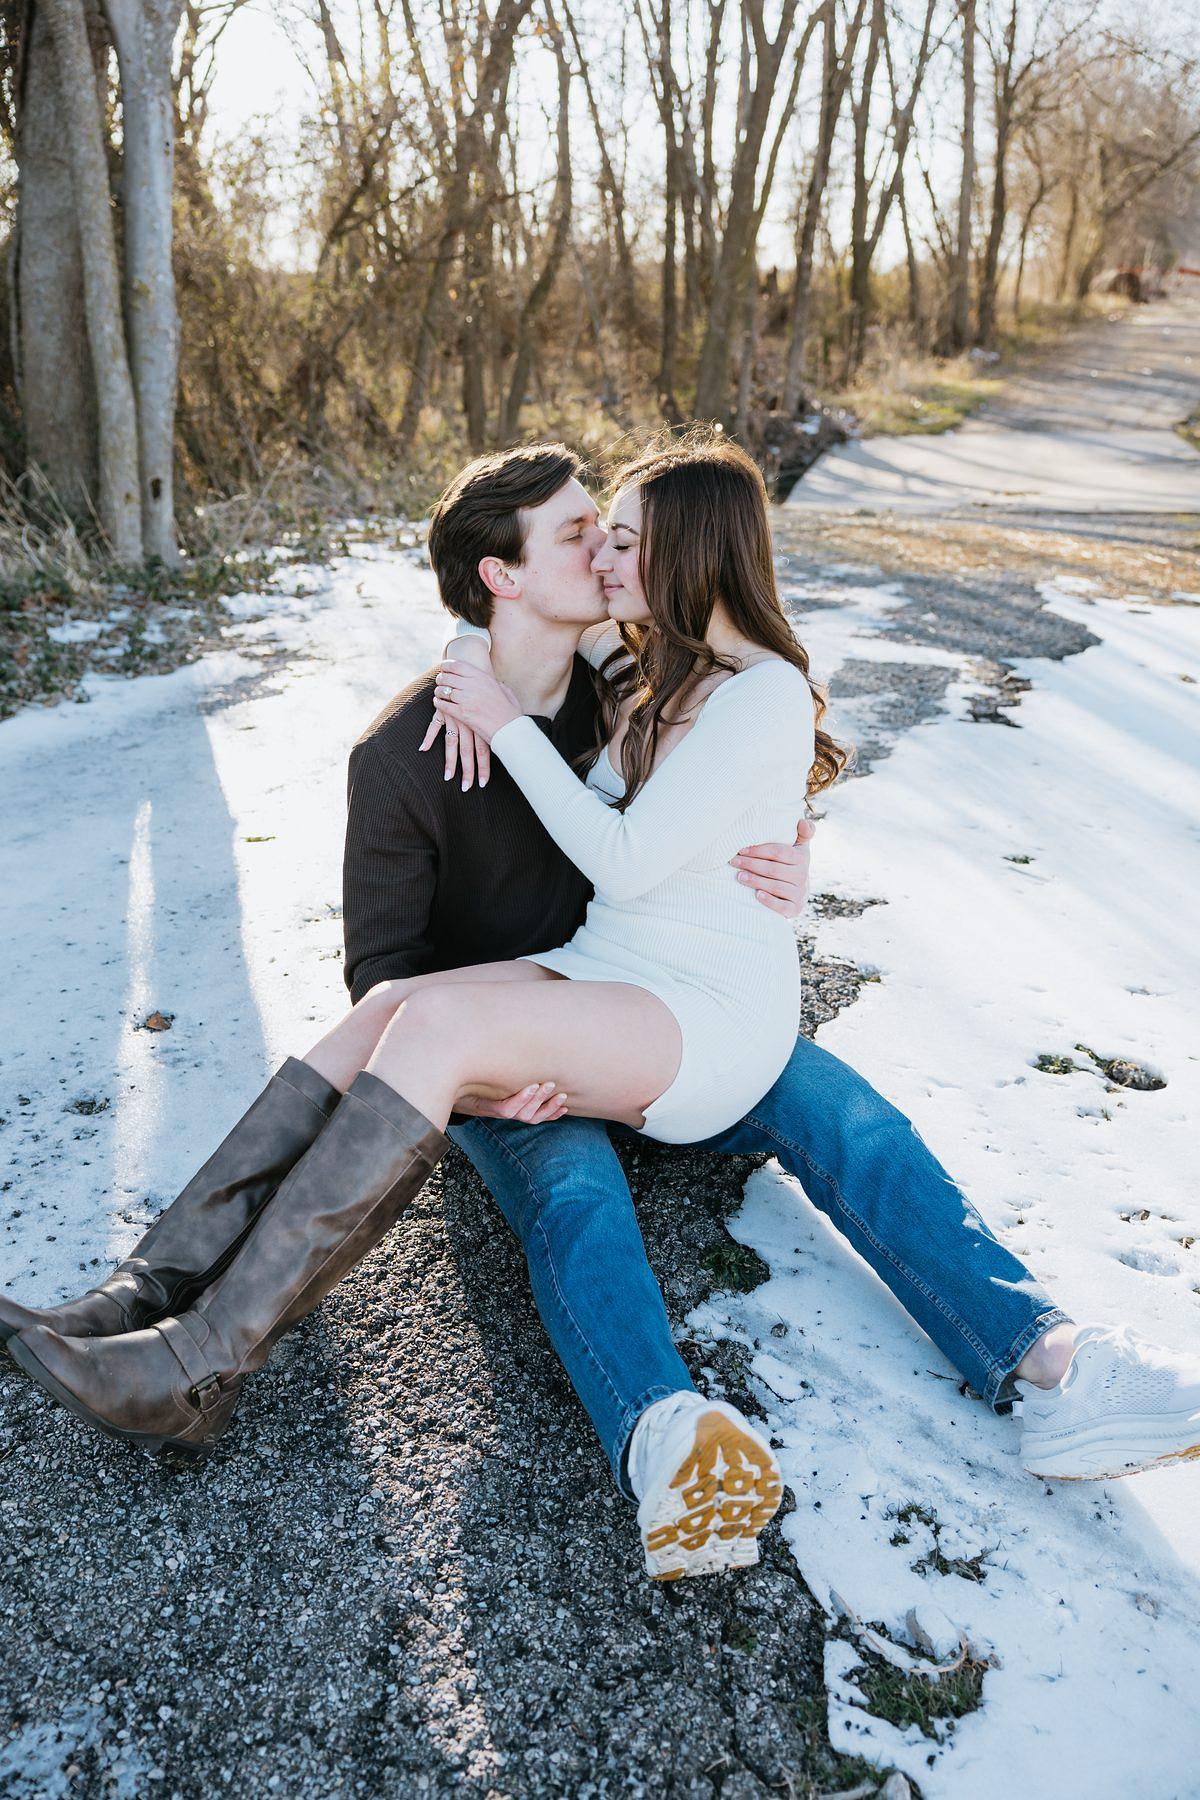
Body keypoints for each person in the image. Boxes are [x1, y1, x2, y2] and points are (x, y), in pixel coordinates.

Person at [7, 439, 1198, 1584]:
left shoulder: (623, 678)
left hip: (659, 1006)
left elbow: (704, 802)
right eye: (583, 536)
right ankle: (157, 1302)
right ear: (503, 578)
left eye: (616, 537)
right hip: (538, 1027)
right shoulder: (411, 749)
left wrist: (788, 847)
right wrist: (498, 1055)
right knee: (446, 1064)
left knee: (857, 1125)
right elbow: (384, 971)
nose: (604, 558)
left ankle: (1056, 1363)